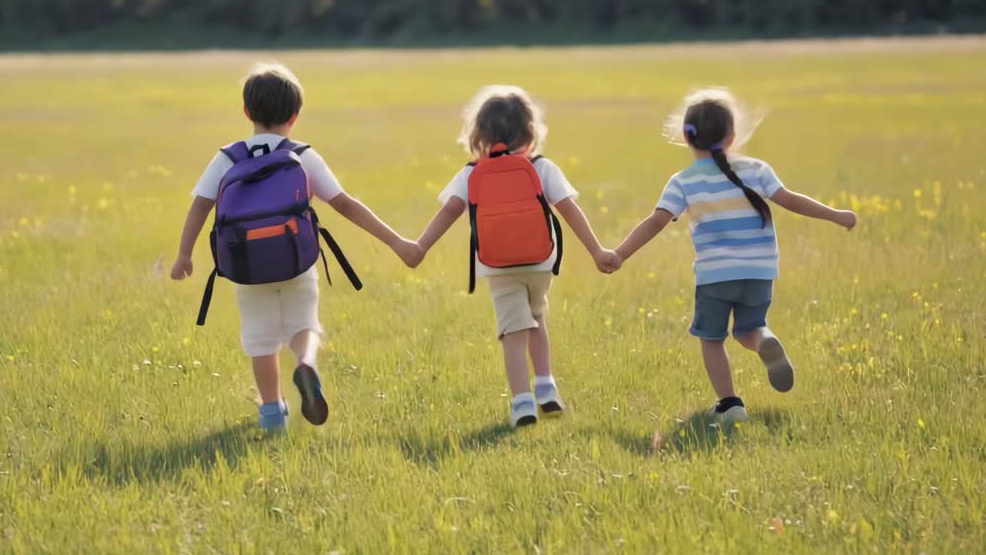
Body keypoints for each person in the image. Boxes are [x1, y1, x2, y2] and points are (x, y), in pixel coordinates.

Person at [171, 63, 423, 433]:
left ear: (246, 113)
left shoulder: (228, 158)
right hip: (297, 262)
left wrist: (184, 255)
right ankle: (306, 362)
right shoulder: (302, 155)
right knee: (304, 325)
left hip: (246, 266)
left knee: (260, 339)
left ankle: (272, 412)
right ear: (295, 115)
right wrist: (398, 242)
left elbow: (200, 205)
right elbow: (344, 203)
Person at [613, 89, 857, 423]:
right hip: (759, 271)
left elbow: (655, 222)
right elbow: (790, 199)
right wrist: (835, 215)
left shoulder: (683, 181)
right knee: (748, 330)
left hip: (715, 275)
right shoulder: (757, 169)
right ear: (733, 136)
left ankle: (730, 404)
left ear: (686, 137)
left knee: (711, 339)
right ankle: (764, 340)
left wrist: (620, 254)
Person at [412, 85, 621, 428]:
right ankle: (546, 386)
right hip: (540, 262)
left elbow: (449, 212)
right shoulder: (541, 168)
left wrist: (420, 246)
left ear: (479, 134)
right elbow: (569, 210)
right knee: (536, 317)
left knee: (513, 331)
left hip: (498, 266)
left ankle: (522, 401)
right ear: (530, 131)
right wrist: (597, 250)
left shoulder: (471, 173)